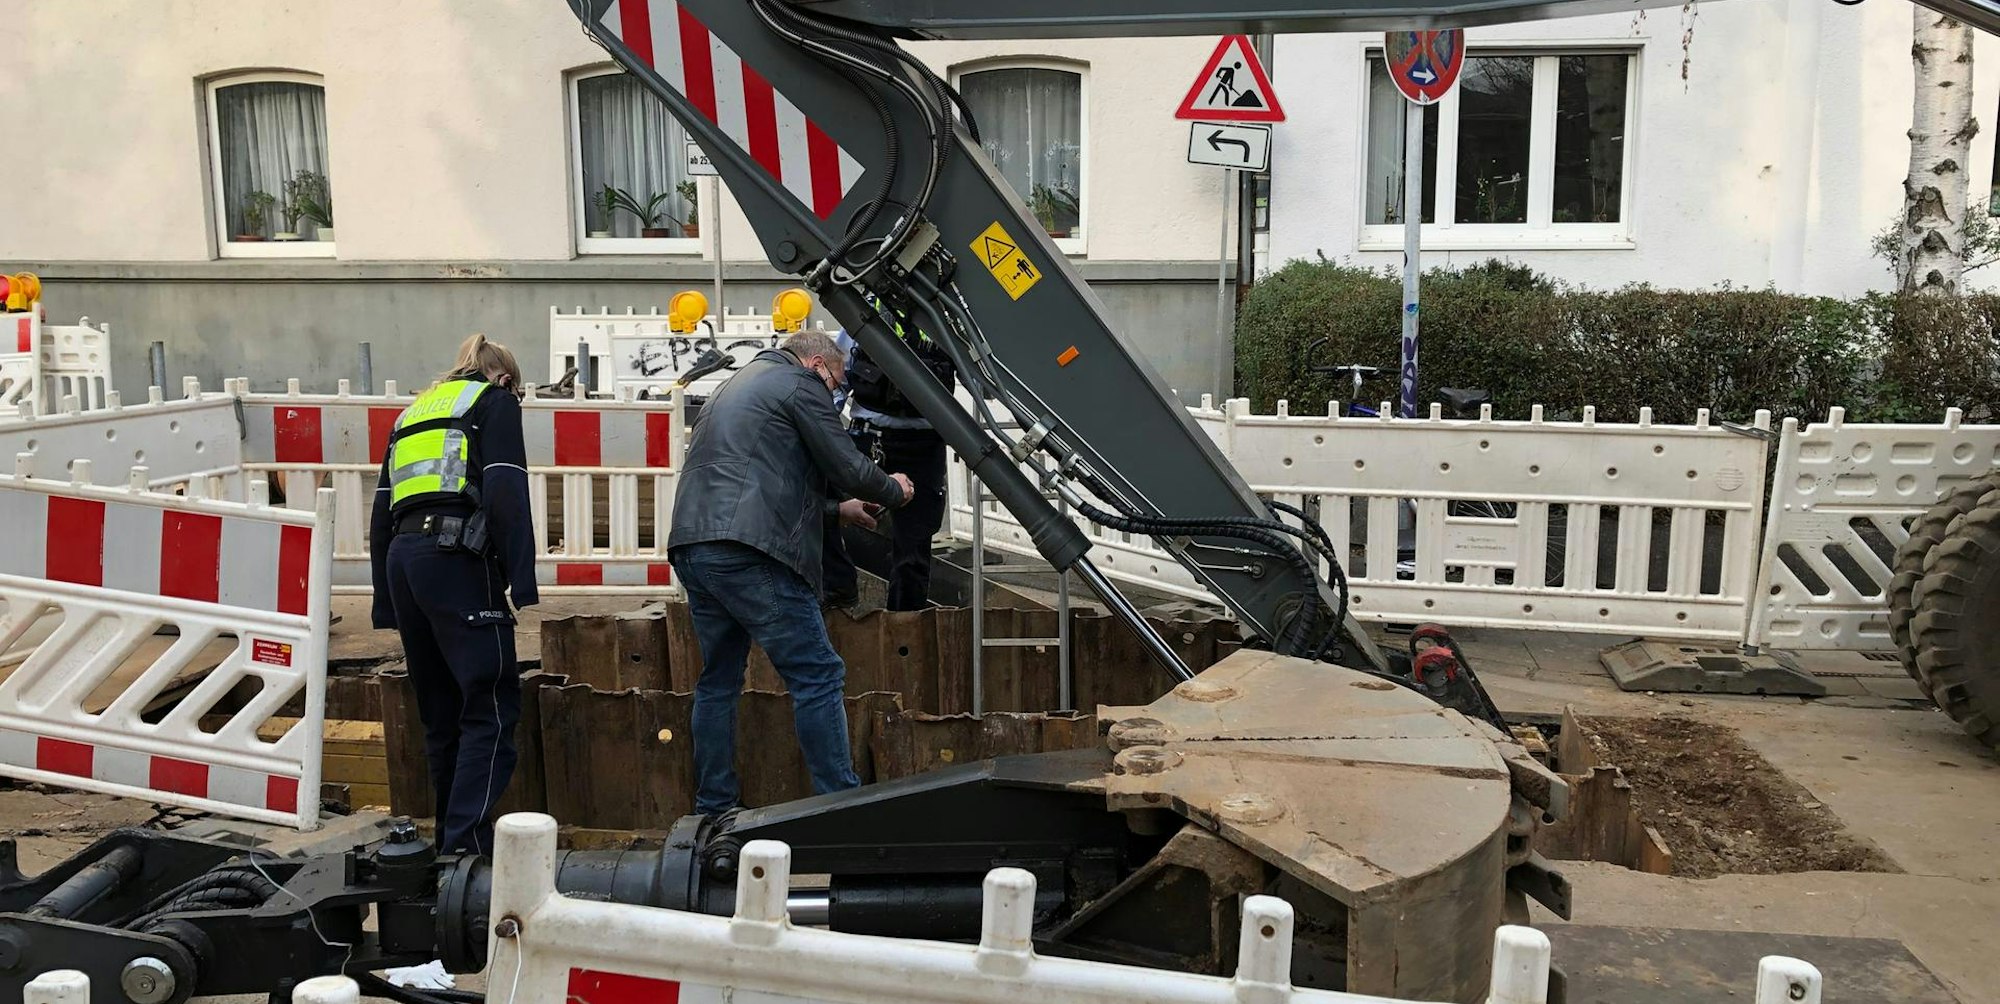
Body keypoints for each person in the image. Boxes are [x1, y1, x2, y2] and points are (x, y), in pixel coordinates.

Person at [669, 329, 914, 816]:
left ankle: (714, 806)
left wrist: (837, 510)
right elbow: (846, 463)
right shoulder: (801, 384)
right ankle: (840, 807)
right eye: (838, 381)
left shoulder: (736, 385)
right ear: (820, 364)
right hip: (750, 551)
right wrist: (894, 489)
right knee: (818, 674)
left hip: (696, 545)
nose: (837, 392)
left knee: (718, 679)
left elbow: (758, 476)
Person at [369, 333, 538, 855]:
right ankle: (466, 851)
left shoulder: (413, 414)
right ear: (505, 378)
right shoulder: (494, 402)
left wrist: (384, 599)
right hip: (457, 559)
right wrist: (521, 579)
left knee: (440, 715)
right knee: (488, 707)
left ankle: (447, 845)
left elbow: (381, 510)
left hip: (405, 563)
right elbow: (507, 491)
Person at [821, 301, 955, 611]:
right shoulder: (869, 310)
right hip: (870, 439)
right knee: (835, 520)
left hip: (922, 443)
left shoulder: (945, 315)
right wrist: (824, 433)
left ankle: (904, 626)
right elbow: (840, 374)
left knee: (914, 546)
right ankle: (836, 606)